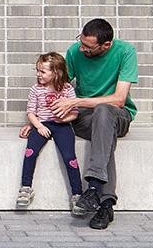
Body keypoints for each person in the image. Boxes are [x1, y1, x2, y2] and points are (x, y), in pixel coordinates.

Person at [49, 18, 138, 230]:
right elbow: (57, 88)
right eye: (80, 41)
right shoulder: (74, 52)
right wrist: (37, 119)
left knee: (104, 111)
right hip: (85, 119)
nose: (81, 48)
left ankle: (94, 187)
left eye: (87, 47)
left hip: (118, 115)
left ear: (105, 45)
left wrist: (78, 100)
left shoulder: (125, 52)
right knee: (103, 133)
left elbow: (118, 99)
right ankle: (106, 203)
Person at [15, 52, 82, 209]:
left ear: (56, 72)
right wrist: (38, 126)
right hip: (42, 125)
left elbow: (75, 113)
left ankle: (77, 194)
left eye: (43, 71)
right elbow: (31, 112)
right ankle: (25, 187)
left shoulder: (67, 89)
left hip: (62, 126)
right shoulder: (36, 90)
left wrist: (63, 120)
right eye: (37, 70)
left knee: (69, 157)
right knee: (30, 152)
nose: (39, 74)